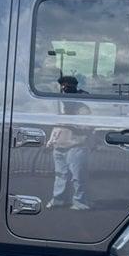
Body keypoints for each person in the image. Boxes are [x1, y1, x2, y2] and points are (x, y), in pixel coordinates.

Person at [46, 75, 90, 210]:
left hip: (76, 146)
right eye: (63, 87)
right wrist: (51, 140)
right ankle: (58, 199)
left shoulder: (82, 108)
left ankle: (80, 202)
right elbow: (56, 126)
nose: (65, 89)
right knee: (60, 175)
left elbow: (87, 127)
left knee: (77, 176)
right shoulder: (60, 106)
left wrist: (72, 122)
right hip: (59, 146)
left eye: (67, 87)